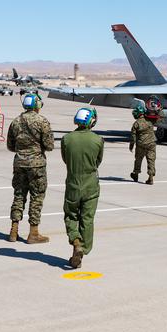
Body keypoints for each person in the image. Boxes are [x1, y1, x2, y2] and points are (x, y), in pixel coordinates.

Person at [6, 92, 54, 243]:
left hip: (19, 163)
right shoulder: (42, 121)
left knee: (19, 195)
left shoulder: (15, 122)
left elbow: (10, 145)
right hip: (37, 165)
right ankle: (33, 233)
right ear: (37, 105)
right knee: (37, 196)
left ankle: (13, 230)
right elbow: (49, 145)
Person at [60, 107, 104, 268]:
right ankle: (83, 250)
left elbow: (66, 159)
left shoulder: (66, 139)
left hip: (73, 183)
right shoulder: (98, 140)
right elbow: (98, 161)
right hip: (91, 185)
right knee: (87, 219)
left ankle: (75, 241)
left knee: (71, 216)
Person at [129, 105, 156, 184]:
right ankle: (150, 177)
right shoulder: (150, 120)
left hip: (141, 144)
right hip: (151, 143)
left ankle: (136, 174)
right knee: (151, 160)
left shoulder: (136, 123)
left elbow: (133, 137)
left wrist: (131, 146)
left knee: (138, 159)